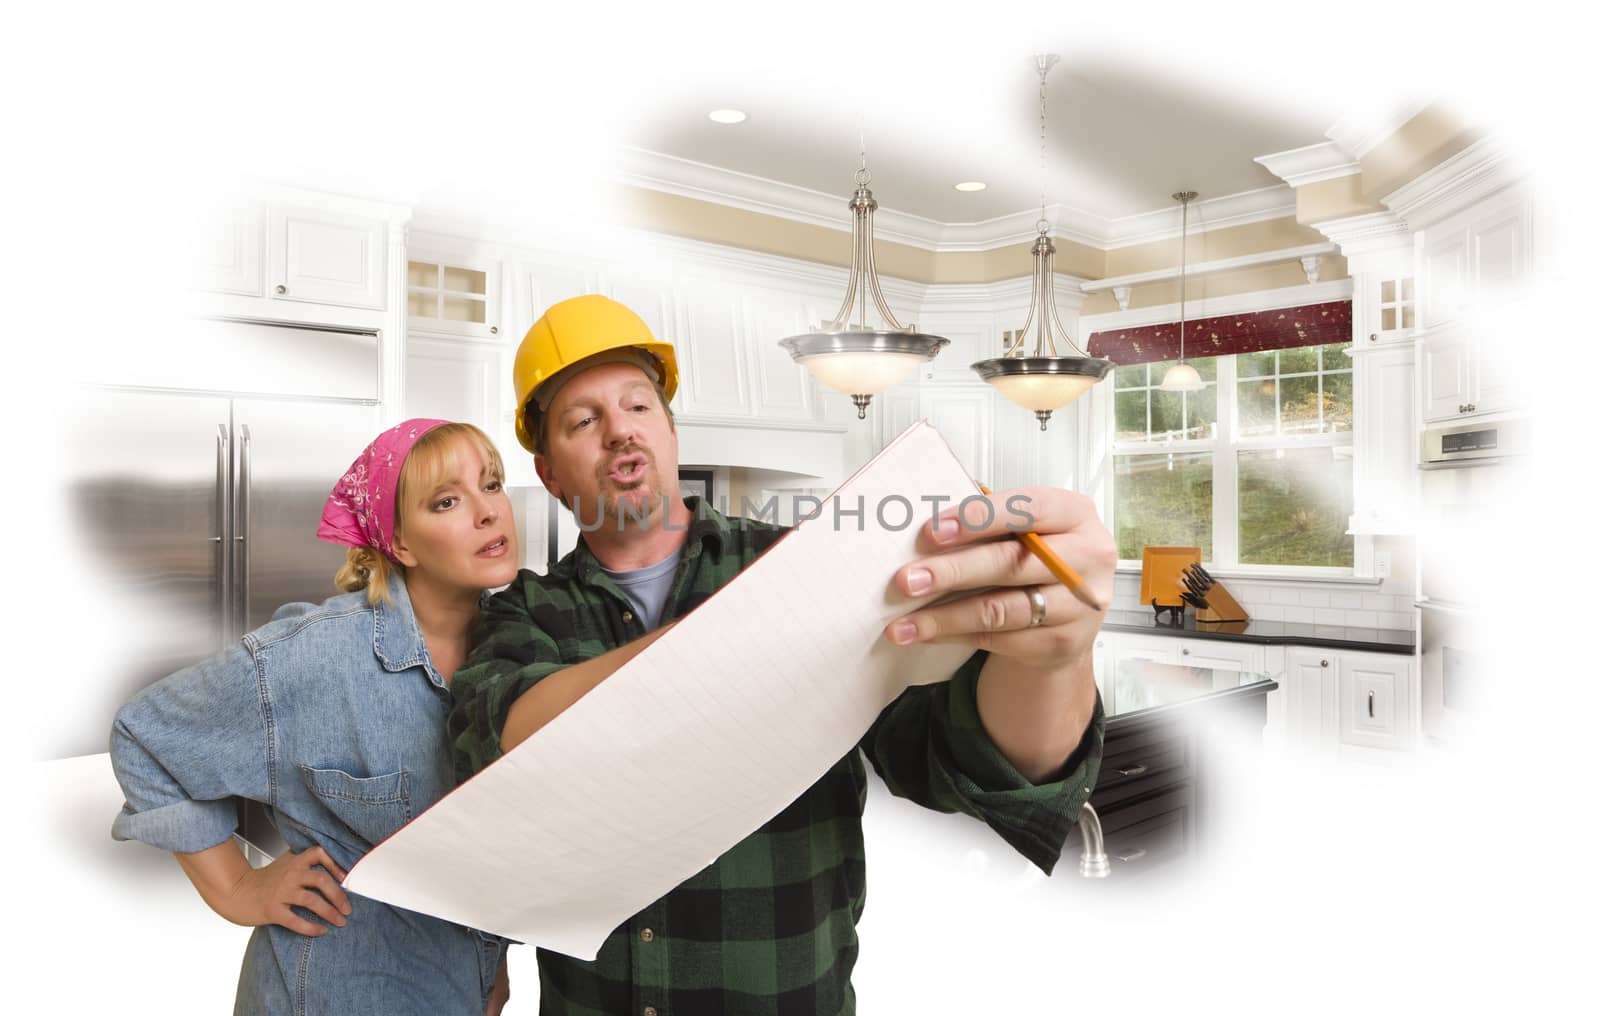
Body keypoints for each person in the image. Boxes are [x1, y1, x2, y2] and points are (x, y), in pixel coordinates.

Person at [449, 295, 1113, 1015]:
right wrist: (748, 633)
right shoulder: (523, 611)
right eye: (584, 422)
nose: (619, 433)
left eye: (638, 407)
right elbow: (499, 739)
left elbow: (955, 754)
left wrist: (1053, 660)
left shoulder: (810, 563)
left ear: (670, 431)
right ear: (549, 474)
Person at [110, 420, 520, 1016]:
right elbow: (143, 735)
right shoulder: (316, 655)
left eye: (493, 484)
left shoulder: (518, 650)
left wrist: (491, 963)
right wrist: (238, 886)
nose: (488, 513)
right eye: (448, 501)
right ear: (399, 543)